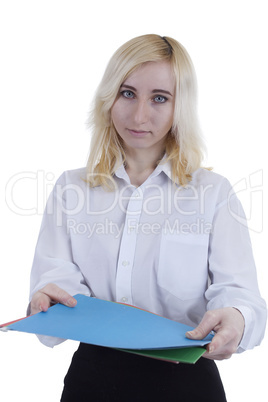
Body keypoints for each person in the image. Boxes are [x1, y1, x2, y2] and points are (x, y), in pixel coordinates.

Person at [29, 34, 266, 401]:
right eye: (127, 93)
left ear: (179, 106)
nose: (140, 115)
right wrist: (47, 303)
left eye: (159, 98)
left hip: (186, 383)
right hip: (92, 382)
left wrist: (236, 317)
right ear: (109, 97)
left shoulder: (213, 193)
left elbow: (240, 293)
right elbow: (56, 281)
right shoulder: (70, 188)